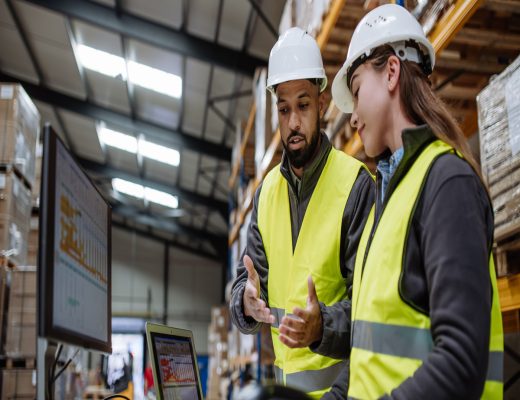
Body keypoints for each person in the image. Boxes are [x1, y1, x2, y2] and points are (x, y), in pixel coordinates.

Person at [327, 4, 504, 398]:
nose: (353, 118)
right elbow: (366, 356)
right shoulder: (386, 198)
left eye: (357, 91)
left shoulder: (447, 183)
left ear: (391, 72)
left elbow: (461, 361)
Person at [229, 27, 374, 399]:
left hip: (344, 391)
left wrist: (321, 327)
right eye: (283, 108)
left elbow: (371, 304)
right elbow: (244, 284)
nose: (293, 122)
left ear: (322, 104)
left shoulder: (355, 184)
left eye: (303, 105)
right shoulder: (265, 197)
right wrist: (245, 301)